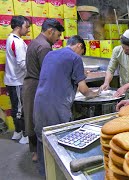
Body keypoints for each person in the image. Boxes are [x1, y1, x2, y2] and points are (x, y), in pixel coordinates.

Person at [33, 35, 99, 176]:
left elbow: (58, 75)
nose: (81, 55)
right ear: (79, 46)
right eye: (82, 52)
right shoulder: (75, 58)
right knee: (59, 143)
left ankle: (44, 174)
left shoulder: (50, 54)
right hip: (56, 106)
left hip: (39, 102)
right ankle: (59, 175)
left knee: (42, 138)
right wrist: (95, 94)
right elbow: (83, 90)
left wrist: (81, 74)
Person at [23, 19, 64, 169]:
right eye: (57, 35)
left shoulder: (35, 41)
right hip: (37, 85)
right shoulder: (44, 47)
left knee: (31, 117)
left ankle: (34, 151)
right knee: (39, 119)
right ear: (50, 31)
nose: (58, 39)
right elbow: (49, 72)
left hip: (30, 83)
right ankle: (40, 153)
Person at [4, 16, 31, 144]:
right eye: (26, 27)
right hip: (18, 80)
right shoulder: (18, 42)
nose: (28, 30)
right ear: (18, 27)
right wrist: (32, 74)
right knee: (21, 109)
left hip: (13, 79)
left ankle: (17, 132)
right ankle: (25, 135)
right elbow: (22, 63)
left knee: (16, 107)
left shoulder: (11, 39)